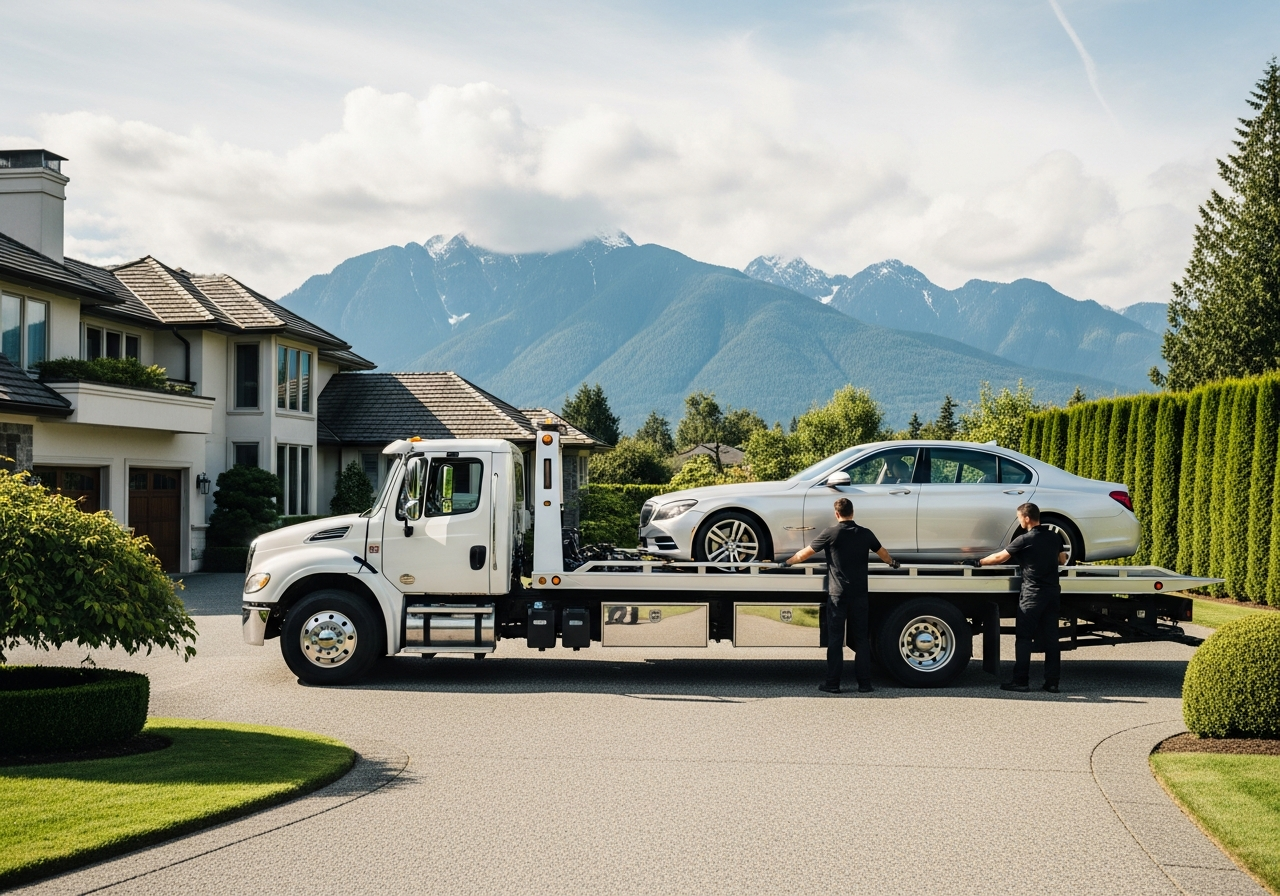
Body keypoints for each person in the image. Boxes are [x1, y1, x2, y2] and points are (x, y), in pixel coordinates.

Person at [781, 497, 900, 694]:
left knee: (836, 640)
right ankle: (864, 684)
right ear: (853, 512)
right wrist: (893, 563)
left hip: (837, 596)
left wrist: (787, 563)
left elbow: (805, 554)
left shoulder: (830, 533)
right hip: (860, 595)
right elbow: (883, 553)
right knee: (861, 639)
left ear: (837, 514)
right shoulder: (865, 533)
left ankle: (833, 683)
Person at [966, 502, 1067, 693]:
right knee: (1052, 638)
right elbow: (1061, 560)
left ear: (1027, 518)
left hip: (1032, 595)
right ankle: (1052, 682)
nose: (1019, 520)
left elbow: (1000, 558)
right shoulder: (1054, 537)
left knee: (1024, 638)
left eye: (1019, 517)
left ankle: (1021, 681)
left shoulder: (1024, 539)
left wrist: (977, 562)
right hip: (1052, 593)